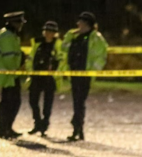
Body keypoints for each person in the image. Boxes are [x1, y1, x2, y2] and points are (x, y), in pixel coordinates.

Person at [60, 12, 108, 141]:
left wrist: (93, 71)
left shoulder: (96, 38)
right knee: (77, 100)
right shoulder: (74, 36)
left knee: (79, 101)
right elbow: (63, 49)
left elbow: (101, 56)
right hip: (74, 73)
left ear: (86, 23)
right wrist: (69, 36)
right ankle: (78, 128)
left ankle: (77, 126)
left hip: (85, 74)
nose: (77, 24)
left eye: (80, 22)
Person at [0, 11, 26, 139]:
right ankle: (5, 128)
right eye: (20, 23)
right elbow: (9, 57)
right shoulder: (8, 36)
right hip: (8, 73)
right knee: (12, 102)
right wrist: (17, 67)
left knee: (7, 102)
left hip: (8, 74)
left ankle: (4, 128)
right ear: (14, 23)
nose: (21, 25)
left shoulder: (8, 34)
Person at [25, 21, 62, 137]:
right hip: (36, 76)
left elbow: (61, 59)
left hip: (50, 78)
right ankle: (37, 122)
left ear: (55, 33)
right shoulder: (37, 42)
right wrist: (30, 71)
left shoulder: (58, 44)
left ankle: (44, 124)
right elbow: (31, 58)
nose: (48, 34)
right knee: (33, 100)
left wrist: (54, 69)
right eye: (46, 31)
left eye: (51, 31)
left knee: (48, 103)